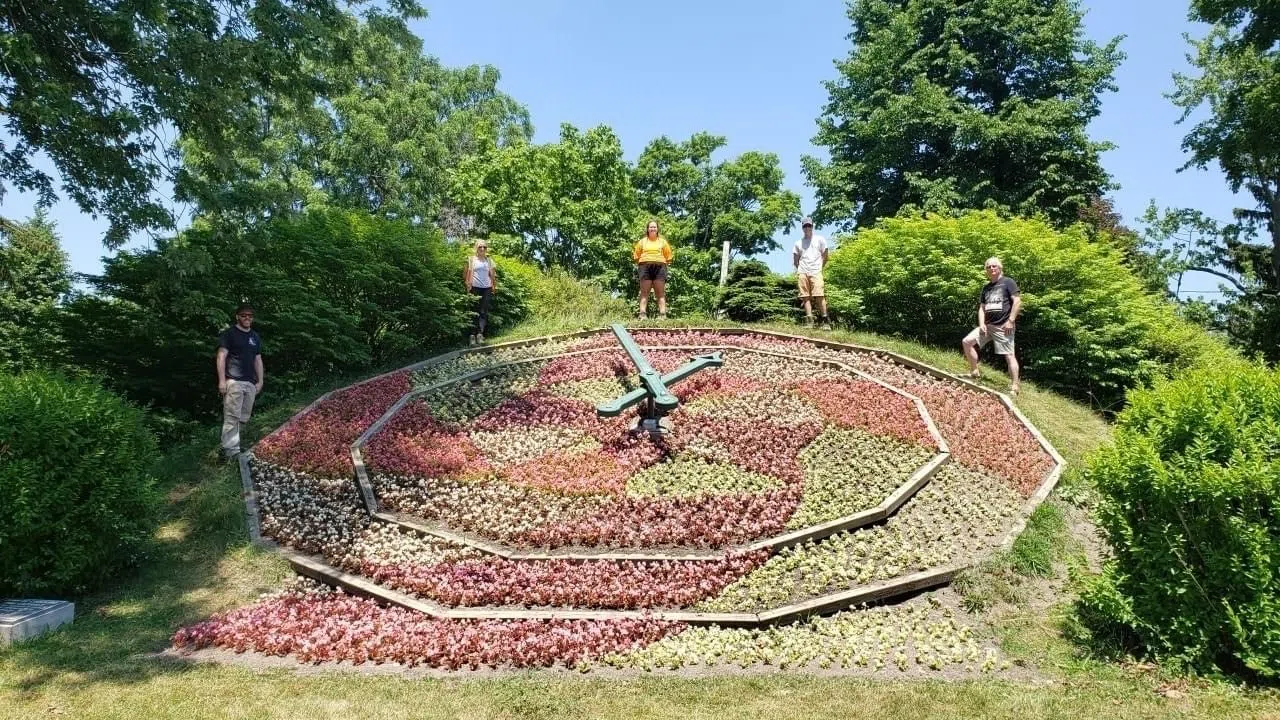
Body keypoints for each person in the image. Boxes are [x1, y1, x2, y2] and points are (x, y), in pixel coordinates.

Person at [962, 257, 1022, 396]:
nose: (991, 268)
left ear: (1000, 267)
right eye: (988, 267)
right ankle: (974, 371)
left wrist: (1011, 321)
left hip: (1003, 326)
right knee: (967, 342)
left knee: (1009, 356)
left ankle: (1014, 386)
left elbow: (1017, 301)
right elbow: (982, 308)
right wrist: (982, 323)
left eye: (994, 266)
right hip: (987, 326)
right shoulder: (986, 288)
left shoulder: (1008, 282)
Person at [216, 302, 264, 460]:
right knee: (232, 416)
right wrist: (222, 381)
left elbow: (258, 359)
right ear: (237, 317)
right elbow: (221, 356)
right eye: (244, 315)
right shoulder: (230, 333)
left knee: (244, 417)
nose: (247, 318)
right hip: (234, 381)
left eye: (250, 316)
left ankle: (232, 445)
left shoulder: (254, 336)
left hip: (250, 382)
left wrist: (260, 380)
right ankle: (230, 451)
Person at [793, 216, 831, 329]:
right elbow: (796, 260)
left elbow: (826, 255)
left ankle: (825, 321)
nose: (807, 227)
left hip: (816, 271)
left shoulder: (820, 239)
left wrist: (820, 267)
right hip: (803, 272)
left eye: (809, 225)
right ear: (802, 228)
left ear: (812, 226)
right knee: (805, 297)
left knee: (819, 295)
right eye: (805, 226)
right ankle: (810, 321)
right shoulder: (798, 243)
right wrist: (800, 271)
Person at [633, 219, 673, 319]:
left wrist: (659, 262)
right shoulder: (642, 242)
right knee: (644, 292)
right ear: (647, 229)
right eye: (651, 227)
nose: (652, 229)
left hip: (660, 268)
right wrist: (645, 262)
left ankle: (663, 315)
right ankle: (642, 314)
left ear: (657, 229)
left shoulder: (663, 242)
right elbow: (636, 256)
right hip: (645, 267)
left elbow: (668, 257)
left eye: (654, 227)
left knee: (660, 292)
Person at [463, 239, 498, 345]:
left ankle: (480, 334)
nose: (482, 249)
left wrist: (494, 285)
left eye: (484, 247)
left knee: (483, 312)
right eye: (480, 247)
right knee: (474, 311)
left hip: (487, 288)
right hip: (475, 287)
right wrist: (467, 283)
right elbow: (465, 274)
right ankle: (472, 335)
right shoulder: (471, 260)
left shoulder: (489, 261)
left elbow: (493, 275)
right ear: (476, 248)